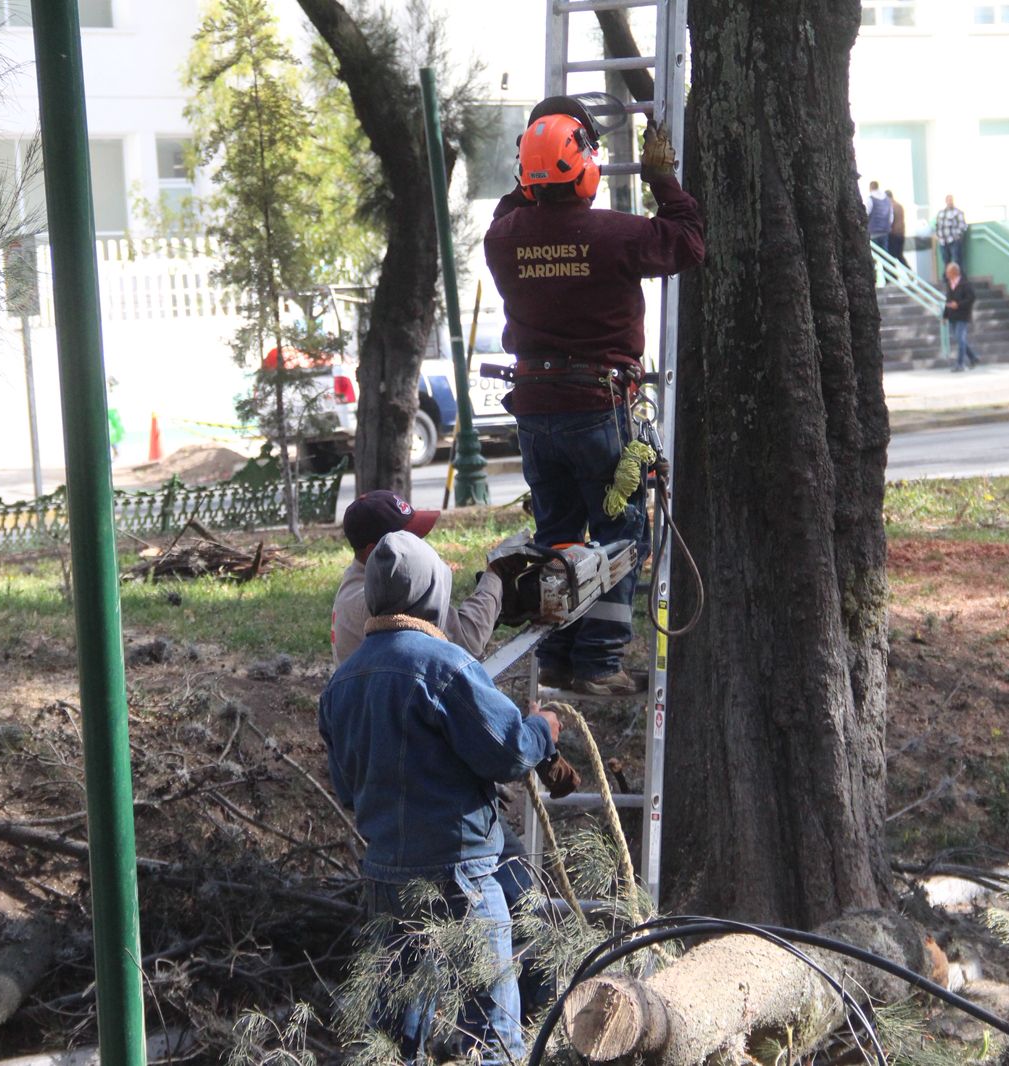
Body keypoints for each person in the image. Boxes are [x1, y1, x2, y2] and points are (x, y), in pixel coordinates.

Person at [320, 531, 576, 1064]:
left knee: (389, 1036)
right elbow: (507, 752)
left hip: (385, 876)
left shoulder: (342, 684)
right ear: (434, 592)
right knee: (489, 1033)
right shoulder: (448, 667)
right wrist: (543, 727)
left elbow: (347, 787)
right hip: (462, 875)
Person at [483, 96, 705, 696]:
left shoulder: (502, 240)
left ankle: (555, 655)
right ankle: (601, 661)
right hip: (597, 409)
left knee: (555, 535)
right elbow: (688, 240)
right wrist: (662, 177)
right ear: (584, 170)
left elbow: (515, 204)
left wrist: (534, 164)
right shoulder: (613, 235)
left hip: (534, 411)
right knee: (621, 532)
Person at [330, 490, 501, 667]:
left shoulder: (355, 578)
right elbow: (468, 642)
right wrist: (496, 574)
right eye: (408, 539)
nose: (420, 543)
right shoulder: (389, 593)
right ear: (373, 550)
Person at [943, 262, 980, 372]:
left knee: (960, 338)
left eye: (948, 272)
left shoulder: (965, 283)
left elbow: (971, 298)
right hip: (953, 316)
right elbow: (948, 300)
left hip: (963, 315)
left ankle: (960, 364)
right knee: (960, 339)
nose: (946, 274)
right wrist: (945, 316)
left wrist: (958, 304)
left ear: (954, 272)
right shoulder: (949, 284)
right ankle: (973, 358)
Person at [933, 194, 968, 271]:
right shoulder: (940, 213)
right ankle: (947, 279)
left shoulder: (958, 212)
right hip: (942, 241)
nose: (950, 202)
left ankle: (959, 278)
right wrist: (937, 235)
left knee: (956, 260)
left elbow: (963, 226)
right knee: (946, 262)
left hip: (953, 240)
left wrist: (957, 236)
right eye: (948, 200)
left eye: (951, 200)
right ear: (946, 201)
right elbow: (937, 225)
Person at [866, 180, 892, 251]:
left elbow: (866, 213)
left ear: (870, 188)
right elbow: (891, 216)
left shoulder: (870, 199)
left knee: (875, 253)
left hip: (873, 231)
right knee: (885, 253)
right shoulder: (887, 199)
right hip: (885, 230)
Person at [886, 189, 908, 267]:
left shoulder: (890, 206)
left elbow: (890, 220)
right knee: (899, 255)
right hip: (901, 234)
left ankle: (893, 276)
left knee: (891, 257)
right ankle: (910, 273)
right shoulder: (899, 205)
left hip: (893, 234)